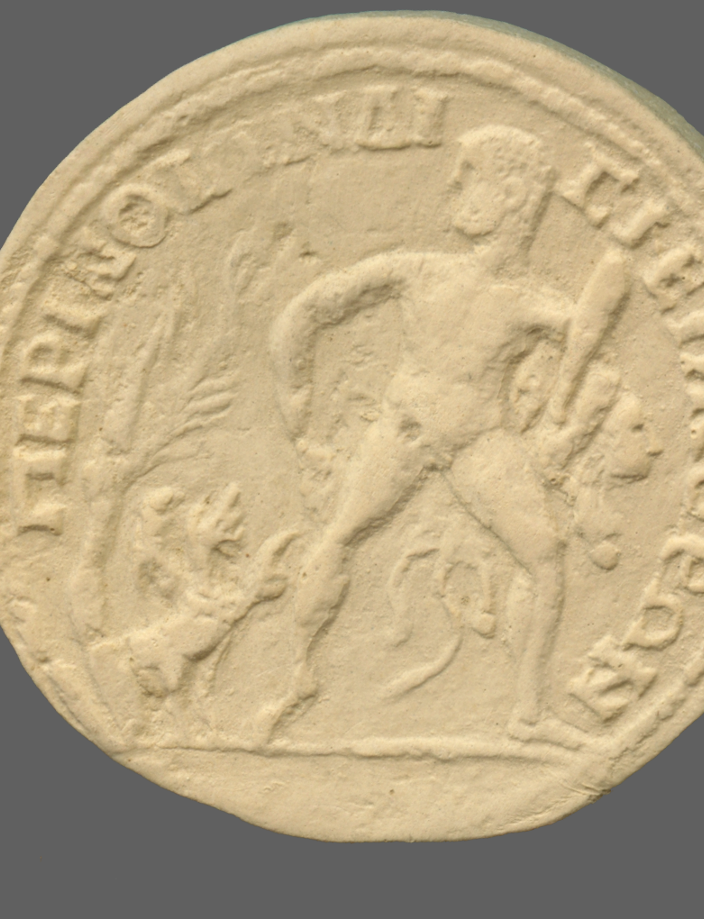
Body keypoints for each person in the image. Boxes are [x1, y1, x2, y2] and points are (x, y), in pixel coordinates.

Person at [264, 125, 625, 746]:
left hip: (480, 443)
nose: (453, 187)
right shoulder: (420, 271)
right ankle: (296, 677)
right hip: (405, 431)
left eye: (468, 177)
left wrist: (570, 387)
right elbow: (310, 309)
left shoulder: (533, 302)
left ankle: (527, 715)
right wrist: (294, 393)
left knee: (545, 557)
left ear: (511, 197)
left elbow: (590, 345)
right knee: (341, 535)